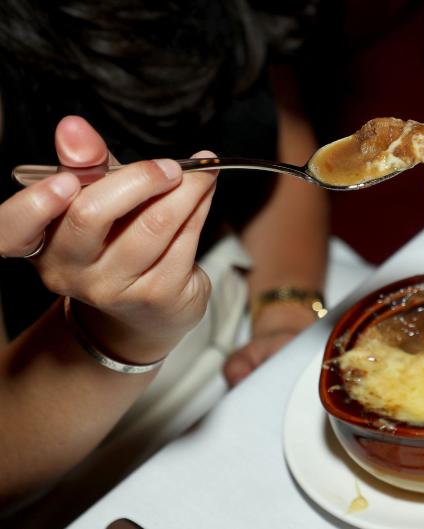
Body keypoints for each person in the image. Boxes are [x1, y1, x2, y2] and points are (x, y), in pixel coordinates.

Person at [0, 0, 330, 522]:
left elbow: (280, 154)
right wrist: (123, 332)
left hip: (248, 302)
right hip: (75, 446)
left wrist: (287, 307)